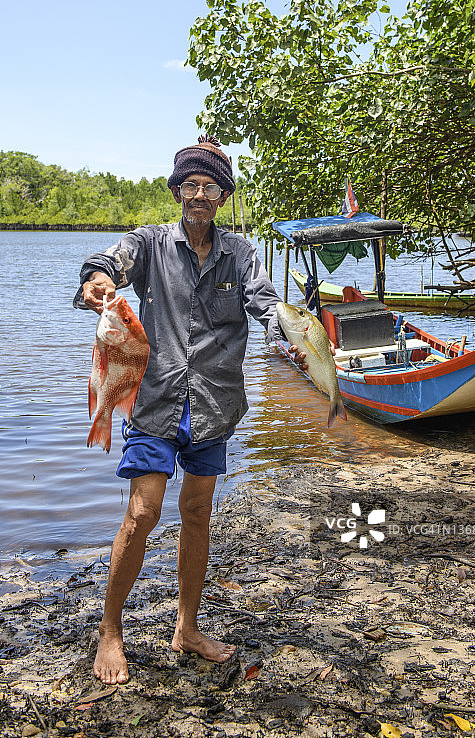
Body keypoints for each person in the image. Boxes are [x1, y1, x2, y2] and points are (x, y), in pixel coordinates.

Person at [74, 137, 309, 685]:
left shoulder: (241, 254)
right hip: (155, 400)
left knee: (198, 512)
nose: (199, 195)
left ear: (223, 197)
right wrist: (97, 279)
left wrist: (292, 334)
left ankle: (187, 627)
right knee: (144, 511)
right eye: (190, 185)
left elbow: (265, 303)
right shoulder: (151, 244)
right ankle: (110, 629)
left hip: (214, 403)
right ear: (178, 191)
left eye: (210, 187)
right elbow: (110, 261)